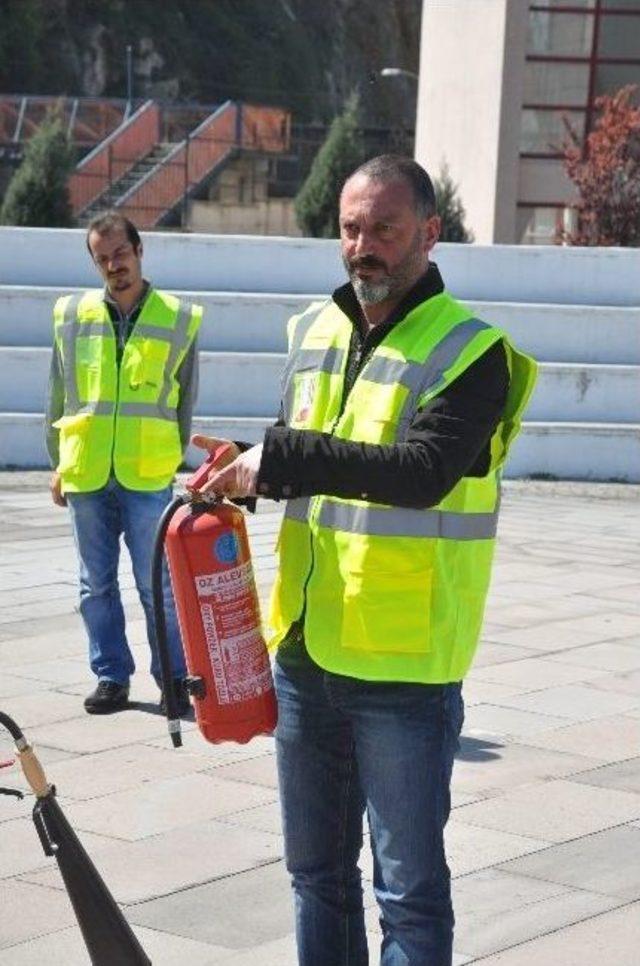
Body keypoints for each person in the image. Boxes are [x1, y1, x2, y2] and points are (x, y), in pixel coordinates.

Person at [191, 156, 537, 966]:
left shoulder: (472, 350)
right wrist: (241, 472)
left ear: (429, 232)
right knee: (315, 875)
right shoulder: (314, 331)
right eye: (350, 228)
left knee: (408, 894)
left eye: (383, 227)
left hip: (405, 669)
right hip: (306, 650)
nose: (363, 246)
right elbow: (311, 470)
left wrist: (279, 456)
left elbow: (420, 474)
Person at [45, 212, 201, 715]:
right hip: (87, 469)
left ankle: (174, 678)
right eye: (103, 258)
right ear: (95, 263)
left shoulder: (178, 317)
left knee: (158, 585)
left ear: (139, 251)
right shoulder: (71, 316)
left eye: (121, 253)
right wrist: (59, 463)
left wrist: (171, 458)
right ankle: (111, 676)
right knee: (95, 585)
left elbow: (184, 403)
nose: (115, 265)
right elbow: (58, 396)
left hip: (147, 474)